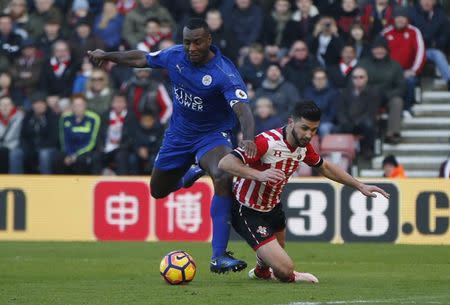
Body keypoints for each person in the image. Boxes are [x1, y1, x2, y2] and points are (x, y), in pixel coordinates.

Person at [88, 18, 256, 273]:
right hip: (178, 136)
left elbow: (243, 110)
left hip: (212, 136)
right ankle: (191, 175)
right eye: (187, 42)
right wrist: (108, 55)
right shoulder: (174, 56)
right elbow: (141, 59)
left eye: (197, 42)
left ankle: (218, 256)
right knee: (158, 191)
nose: (191, 47)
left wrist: (249, 138)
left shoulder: (224, 73)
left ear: (209, 40)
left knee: (223, 173)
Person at [218, 101, 390, 283]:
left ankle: (261, 271)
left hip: (273, 207)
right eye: (305, 128)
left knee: (277, 257)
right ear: (291, 122)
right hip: (247, 209)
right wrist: (259, 175)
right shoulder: (266, 142)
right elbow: (225, 163)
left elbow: (325, 168)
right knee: (284, 271)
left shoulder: (303, 147)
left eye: (314, 130)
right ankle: (286, 274)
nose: (309, 135)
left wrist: (360, 185)